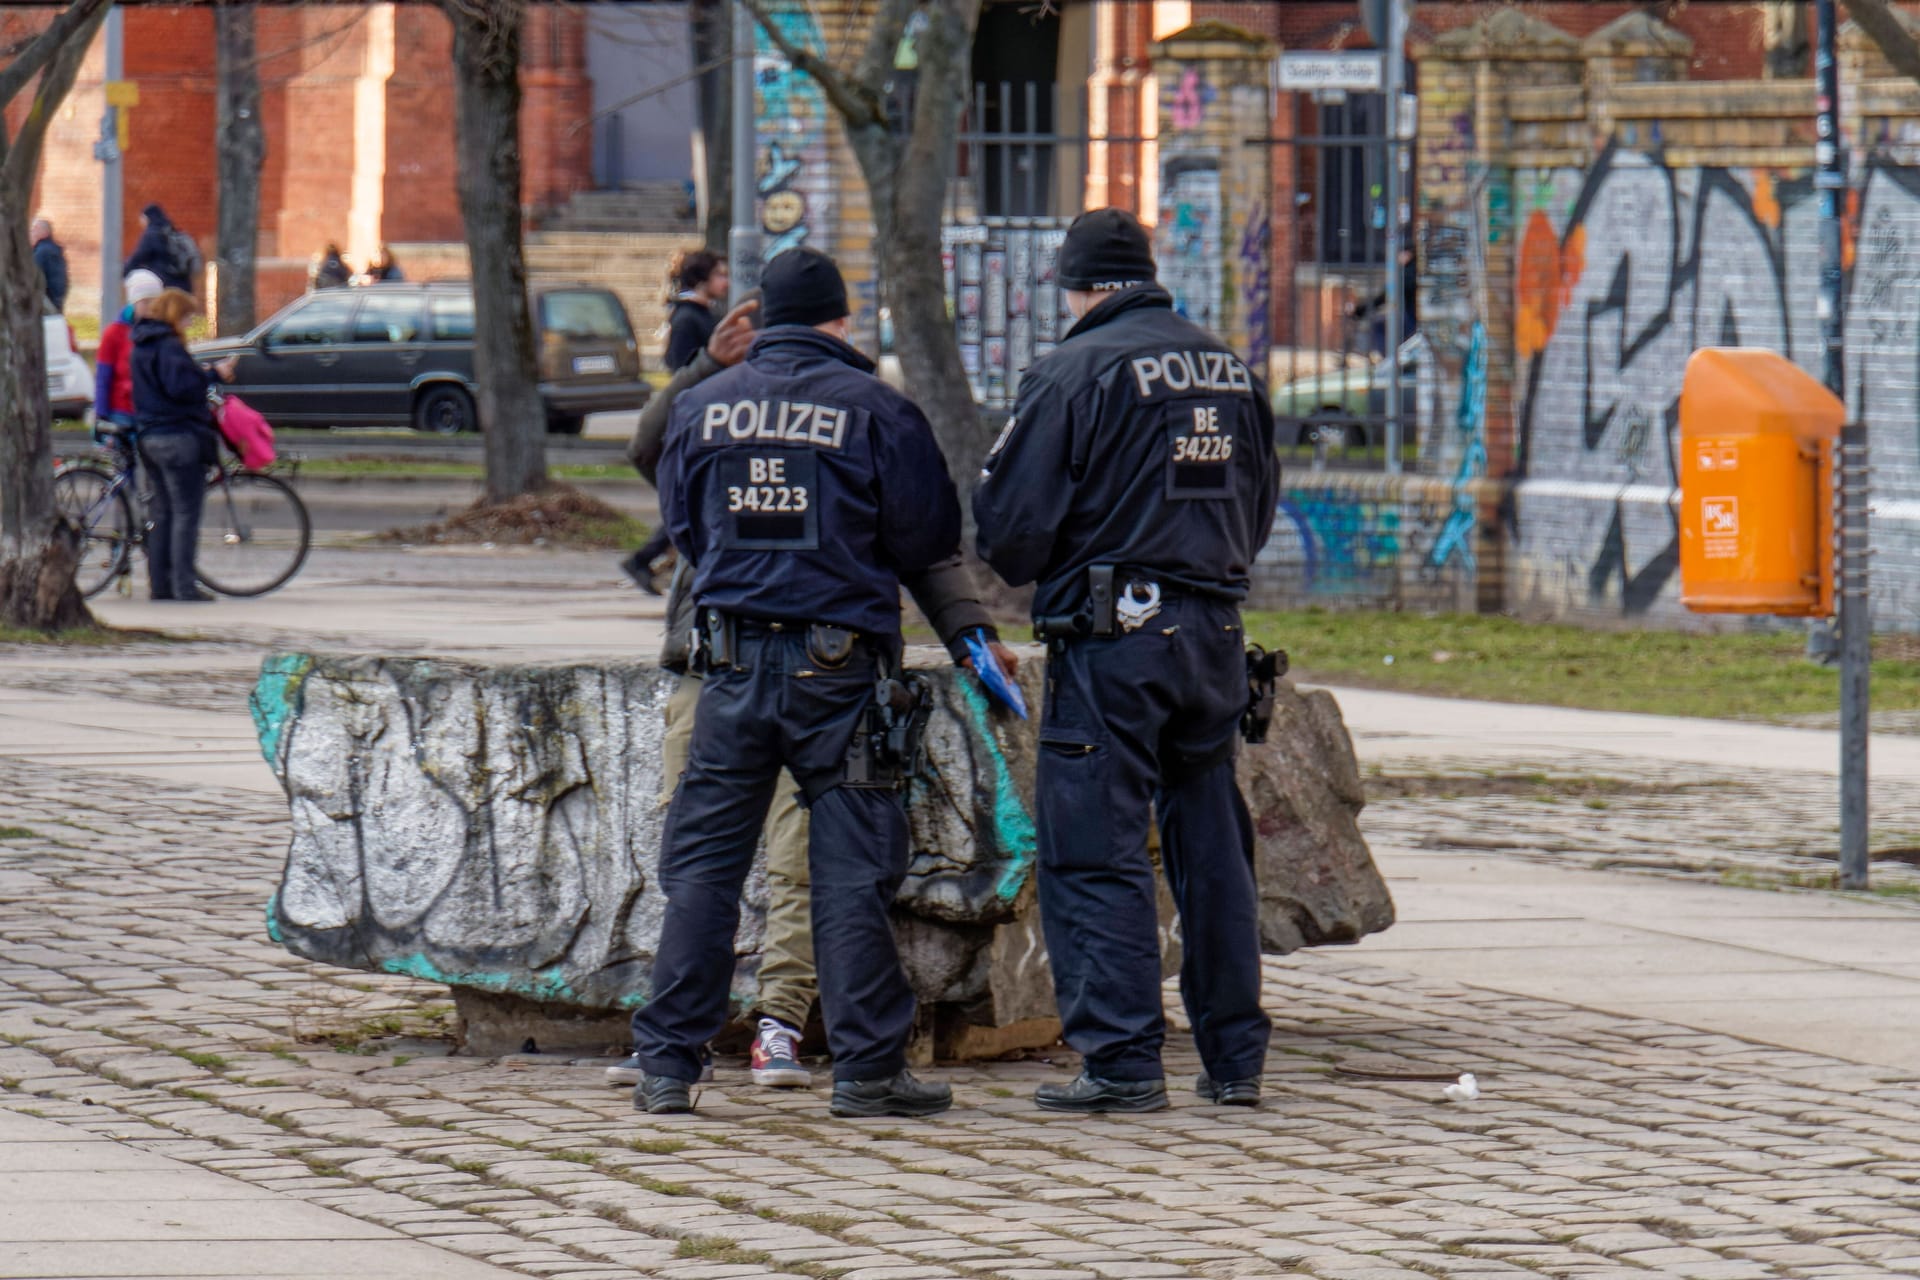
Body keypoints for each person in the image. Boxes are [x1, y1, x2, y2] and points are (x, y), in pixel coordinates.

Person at [611, 289, 1015, 1098]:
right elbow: (924, 538)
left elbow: (684, 530)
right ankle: (867, 1071)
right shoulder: (876, 410)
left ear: (766, 325)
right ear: (838, 322)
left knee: (703, 870)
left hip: (726, 667)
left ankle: (666, 1064)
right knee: (851, 870)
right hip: (837, 673)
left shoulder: (703, 405)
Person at [973, 208, 1280, 1113]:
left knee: (1094, 849)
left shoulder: (1074, 371)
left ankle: (1121, 1061)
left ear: (1080, 287)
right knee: (1212, 847)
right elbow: (1258, 506)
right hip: (1216, 633)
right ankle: (1234, 1059)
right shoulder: (1229, 369)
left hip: (1115, 643)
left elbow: (1011, 531)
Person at [620, 249, 730, 591]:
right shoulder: (689, 319)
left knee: (689, 500)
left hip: (698, 417)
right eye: (720, 275)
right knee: (688, 500)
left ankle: (647, 560)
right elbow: (682, 371)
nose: (726, 281)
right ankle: (643, 559)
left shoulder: (700, 315)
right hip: (689, 421)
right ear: (702, 280)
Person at [131, 289, 236, 602]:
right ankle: (184, 584)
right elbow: (181, 388)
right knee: (185, 512)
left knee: (162, 511)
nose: (190, 323)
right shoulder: (170, 346)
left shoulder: (141, 345)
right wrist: (214, 375)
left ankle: (159, 583)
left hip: (149, 436)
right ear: (176, 315)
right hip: (178, 435)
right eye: (188, 316)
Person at [95, 270, 167, 430]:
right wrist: (101, 413)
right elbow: (103, 375)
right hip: (121, 411)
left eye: (155, 302)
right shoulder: (114, 333)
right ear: (133, 303)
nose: (151, 307)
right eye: (145, 302)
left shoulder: (164, 332)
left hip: (153, 411)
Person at [662, 249, 727, 372]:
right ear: (702, 277)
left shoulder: (707, 314)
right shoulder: (686, 318)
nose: (726, 282)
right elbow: (681, 367)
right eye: (719, 275)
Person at [123, 205, 194, 293]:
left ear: (147, 218)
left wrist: (123, 271)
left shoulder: (151, 234)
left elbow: (138, 257)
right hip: (184, 285)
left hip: (164, 283)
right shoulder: (172, 231)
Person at [32, 217, 68, 313]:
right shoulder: (53, 249)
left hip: (47, 302)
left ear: (44, 233)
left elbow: (32, 277)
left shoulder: (43, 251)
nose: (32, 233)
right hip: (55, 301)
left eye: (35, 229)